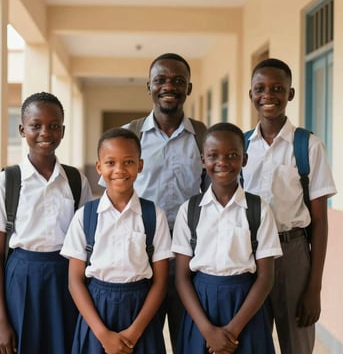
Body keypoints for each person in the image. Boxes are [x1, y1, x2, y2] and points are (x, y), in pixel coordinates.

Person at [0, 92, 93, 354]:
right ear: (22, 129)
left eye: (54, 126)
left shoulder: (76, 181)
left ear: (63, 131)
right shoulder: (5, 183)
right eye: (36, 125)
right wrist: (0, 320)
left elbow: (87, 243)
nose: (45, 132)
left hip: (66, 280)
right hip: (20, 280)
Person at [242, 58, 337, 353]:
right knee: (250, 342)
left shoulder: (308, 145)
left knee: (296, 344)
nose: (268, 95)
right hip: (249, 254)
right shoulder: (241, 146)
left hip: (293, 254)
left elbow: (320, 221)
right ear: (251, 95)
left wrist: (314, 287)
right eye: (260, 88)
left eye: (277, 88)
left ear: (291, 94)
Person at [172, 122, 282, 353]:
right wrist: (207, 330)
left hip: (245, 308)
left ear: (244, 159)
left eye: (232, 155)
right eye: (214, 155)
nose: (222, 162)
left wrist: (233, 330)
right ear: (203, 160)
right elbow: (182, 278)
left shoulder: (258, 209)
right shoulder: (190, 210)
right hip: (201, 308)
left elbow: (265, 278)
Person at [61, 127, 173, 353]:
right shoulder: (85, 216)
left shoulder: (154, 216)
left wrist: (134, 332)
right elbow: (75, 281)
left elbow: (160, 283)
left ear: (140, 165)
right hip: (96, 315)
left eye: (128, 162)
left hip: (140, 313)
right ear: (99, 167)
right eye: (110, 163)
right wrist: (103, 335)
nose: (119, 170)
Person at [125, 52, 209, 352]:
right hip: (141, 256)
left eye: (177, 81)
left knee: (188, 340)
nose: (168, 86)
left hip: (191, 258)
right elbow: (115, 196)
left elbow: (215, 199)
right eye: (160, 80)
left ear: (188, 87)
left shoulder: (204, 137)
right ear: (149, 86)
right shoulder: (129, 136)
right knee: (142, 341)